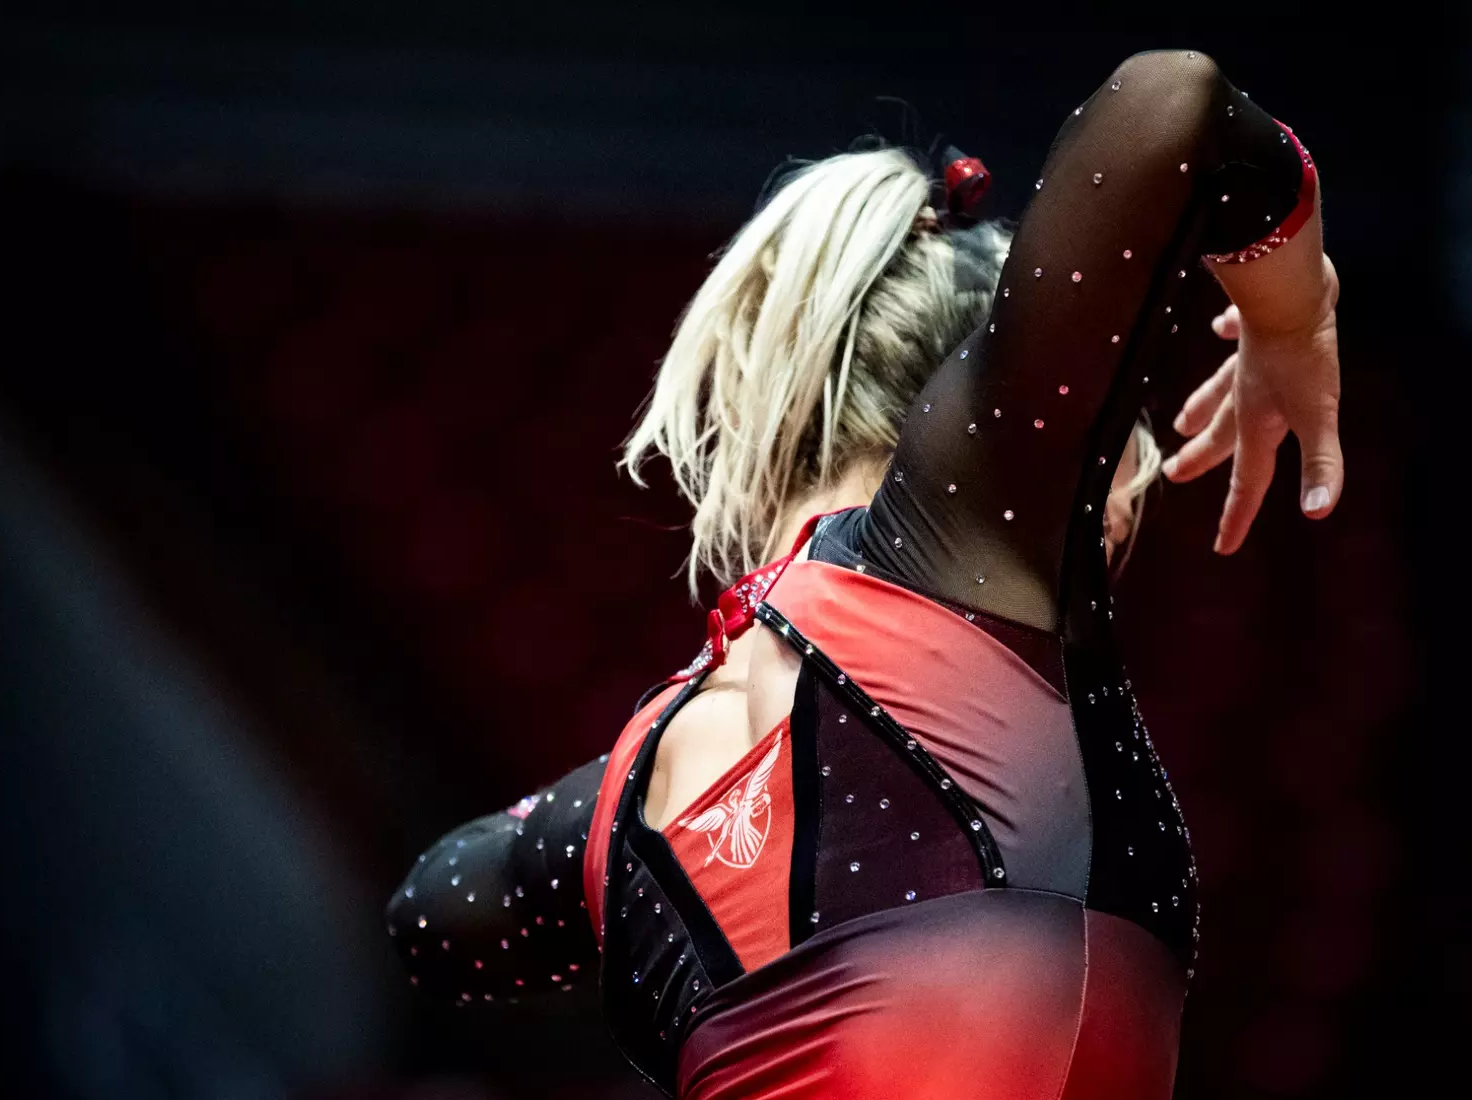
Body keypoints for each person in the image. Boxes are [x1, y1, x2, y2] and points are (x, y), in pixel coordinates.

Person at [387, 48, 1341, 1099]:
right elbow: (1172, 101)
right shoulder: (963, 536)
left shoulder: (622, 800)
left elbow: (433, 912)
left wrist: (588, 839)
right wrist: (1290, 316)